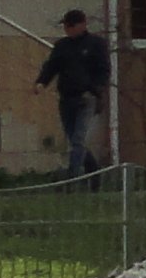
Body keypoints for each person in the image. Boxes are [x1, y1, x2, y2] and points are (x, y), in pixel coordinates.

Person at [31, 9, 110, 173]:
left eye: (71, 26)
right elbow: (51, 66)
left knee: (79, 138)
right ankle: (93, 170)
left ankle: (73, 175)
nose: (67, 29)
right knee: (73, 139)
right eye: (66, 26)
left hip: (86, 98)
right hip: (66, 98)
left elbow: (103, 70)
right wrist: (41, 82)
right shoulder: (62, 46)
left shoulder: (96, 44)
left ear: (82, 25)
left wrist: (96, 89)